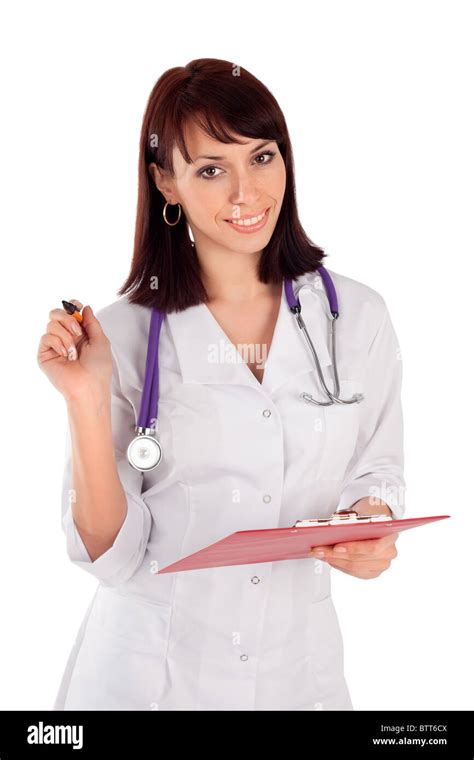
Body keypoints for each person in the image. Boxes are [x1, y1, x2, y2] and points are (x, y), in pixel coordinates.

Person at [37, 58, 405, 711]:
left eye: (262, 157)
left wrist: (371, 527)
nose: (246, 192)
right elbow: (109, 557)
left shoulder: (358, 317)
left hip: (299, 677)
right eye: (211, 169)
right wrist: (87, 399)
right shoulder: (122, 337)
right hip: (149, 683)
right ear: (165, 183)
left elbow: (375, 472)